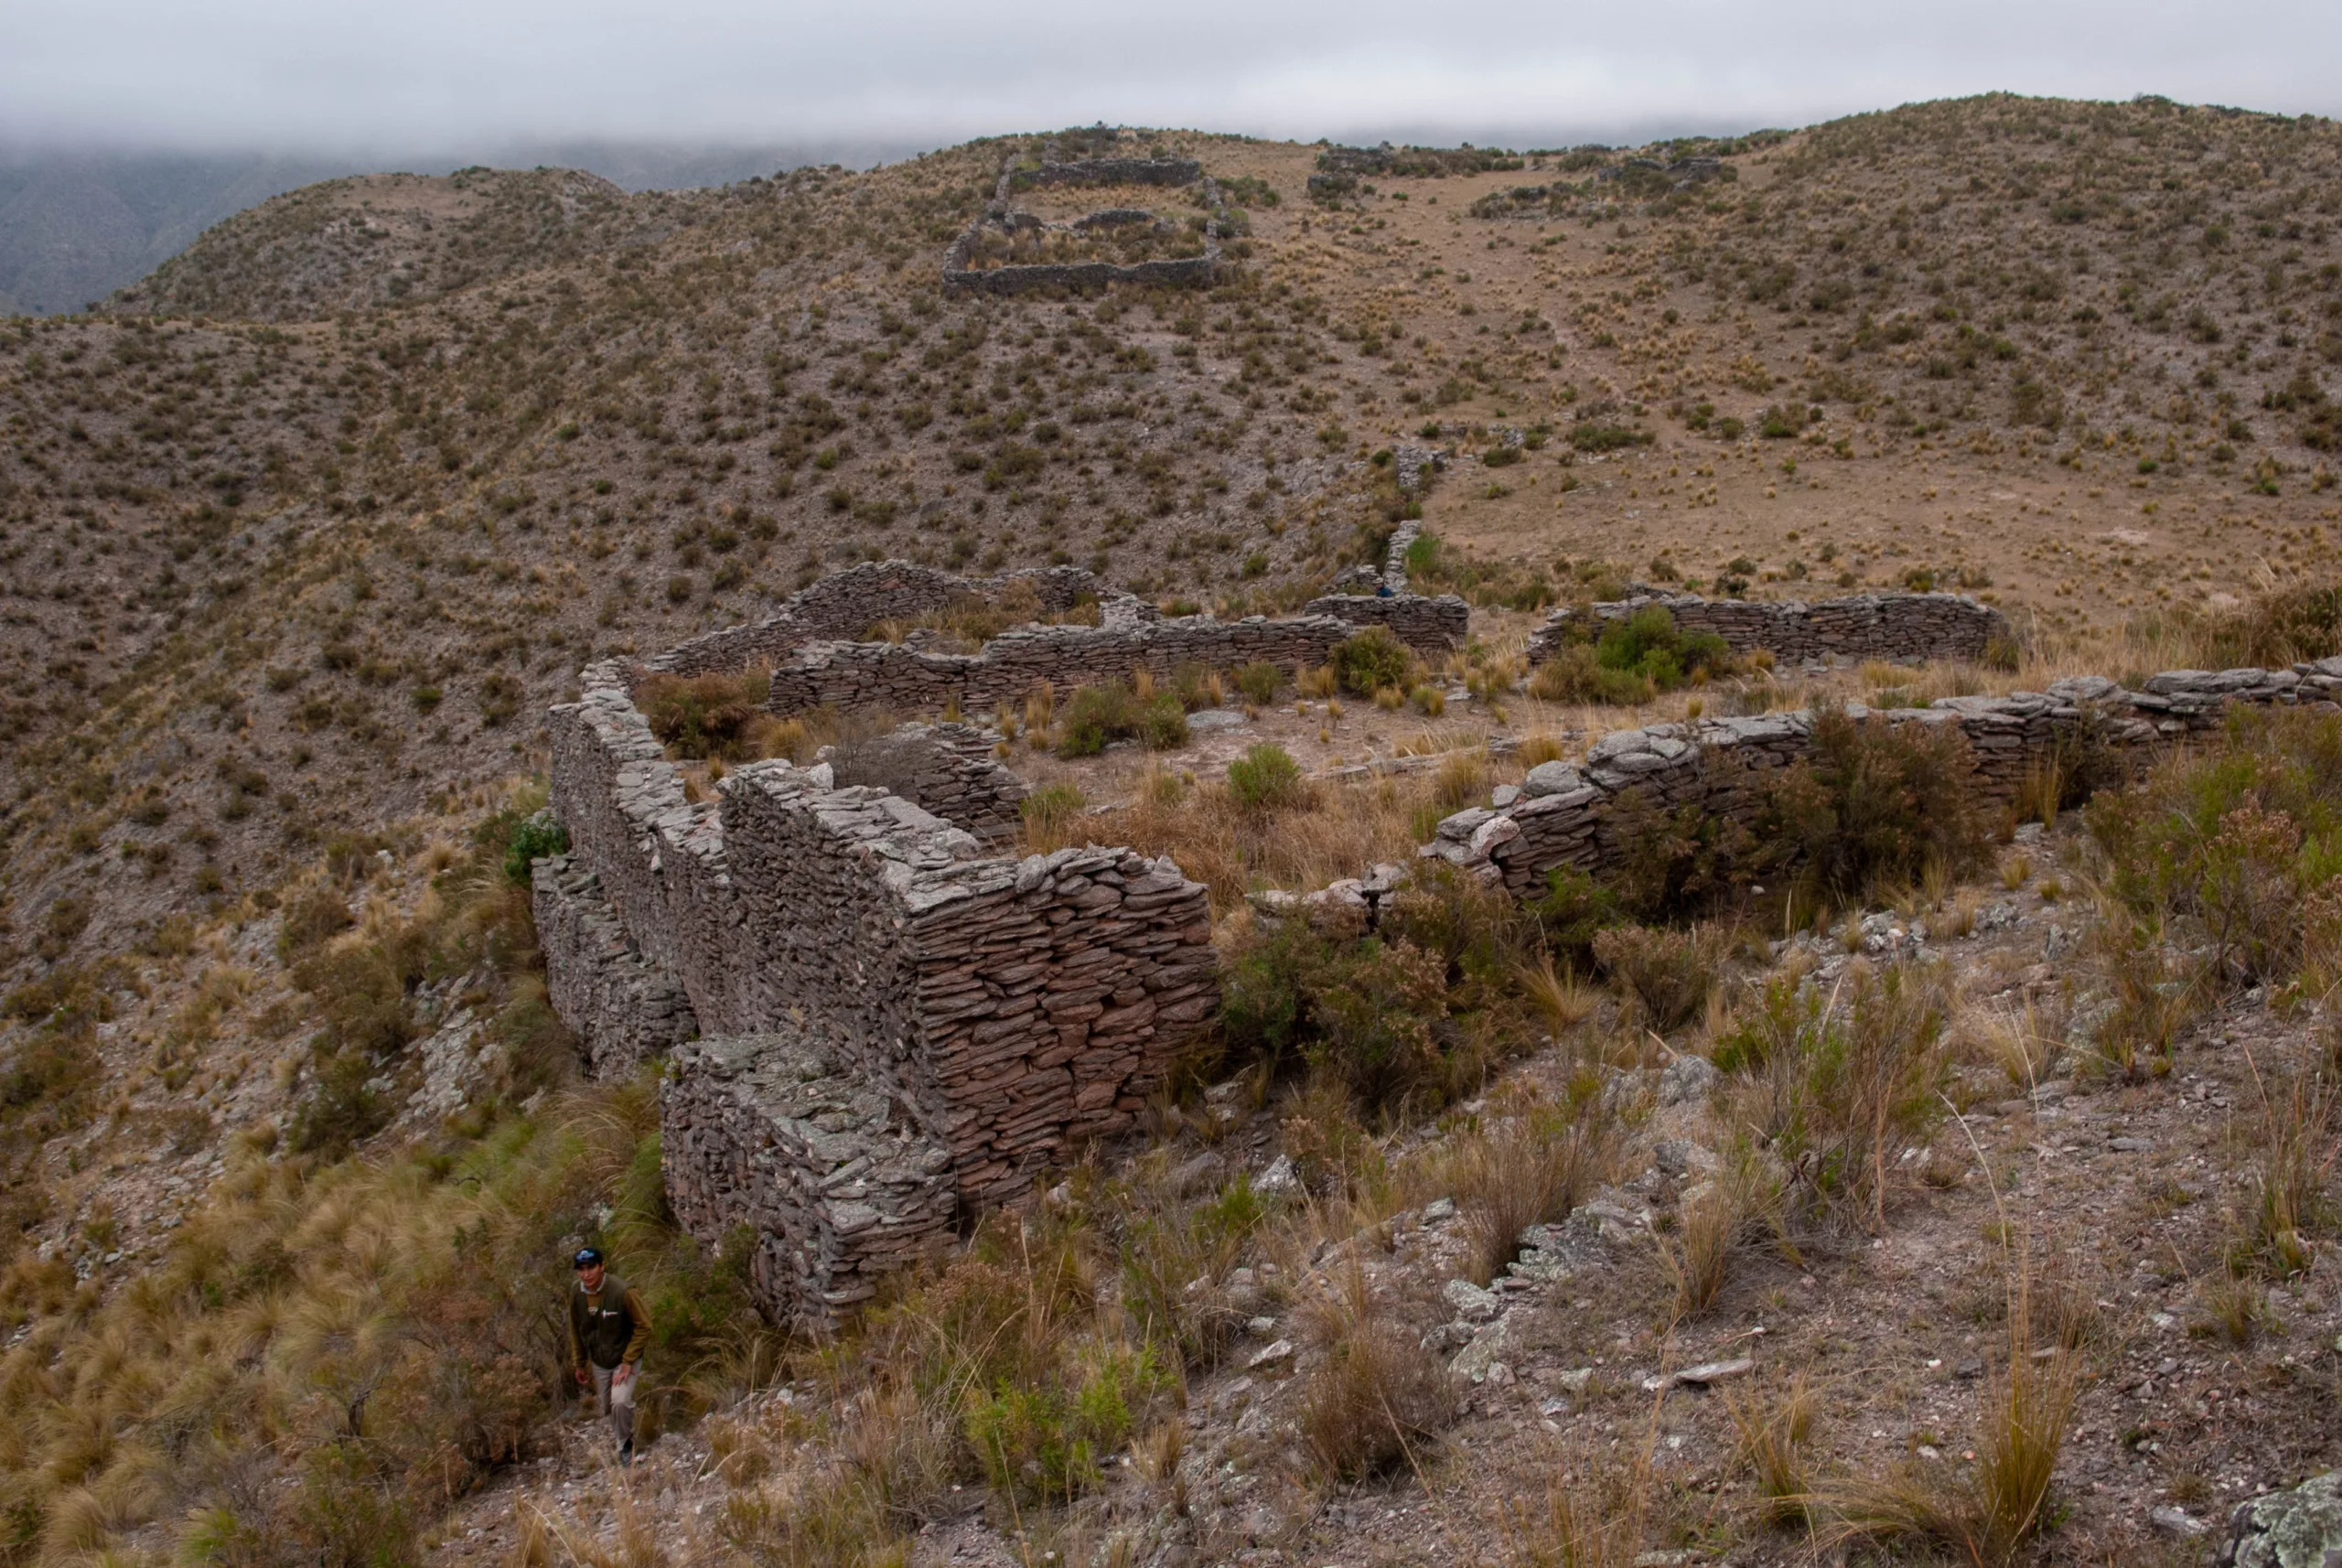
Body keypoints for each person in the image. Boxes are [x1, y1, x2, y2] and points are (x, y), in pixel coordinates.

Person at [567, 1246, 650, 1464]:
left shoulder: (623, 1292)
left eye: (591, 1268)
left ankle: (625, 1446)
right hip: (599, 1361)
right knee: (607, 1408)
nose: (586, 1274)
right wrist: (579, 1363)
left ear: (602, 1267)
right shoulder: (576, 1294)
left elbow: (644, 1326)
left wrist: (627, 1361)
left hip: (625, 1357)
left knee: (620, 1402)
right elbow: (575, 1328)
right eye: (581, 1269)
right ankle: (623, 1438)